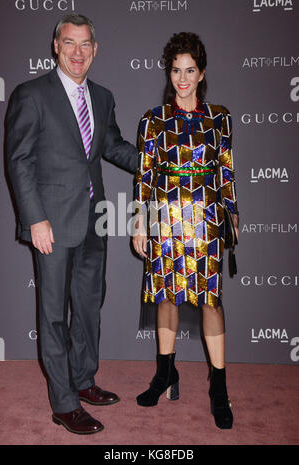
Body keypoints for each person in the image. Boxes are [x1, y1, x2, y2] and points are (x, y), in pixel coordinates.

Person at [6, 14, 137, 435]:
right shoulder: (31, 95)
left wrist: (161, 161)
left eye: (86, 45)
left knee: (88, 308)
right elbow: (19, 161)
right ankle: (63, 403)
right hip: (52, 223)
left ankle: (83, 381)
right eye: (70, 43)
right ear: (56, 46)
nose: (78, 52)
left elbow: (113, 147)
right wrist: (35, 219)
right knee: (53, 316)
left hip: (94, 220)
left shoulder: (102, 97)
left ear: (95, 50)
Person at [133, 32, 239, 429]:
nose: (182, 78)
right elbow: (144, 177)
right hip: (165, 218)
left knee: (211, 302)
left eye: (189, 70)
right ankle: (165, 374)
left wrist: (233, 217)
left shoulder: (220, 117)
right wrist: (140, 222)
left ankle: (219, 388)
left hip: (206, 220)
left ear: (202, 72)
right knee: (166, 298)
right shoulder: (152, 120)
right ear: (169, 72)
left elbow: (226, 174)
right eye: (176, 70)